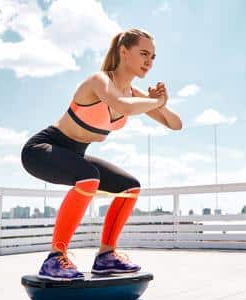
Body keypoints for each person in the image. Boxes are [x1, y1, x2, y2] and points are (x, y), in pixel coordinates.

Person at [21, 28, 182, 281]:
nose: (149, 62)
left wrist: (162, 103)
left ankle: (106, 256)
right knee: (89, 176)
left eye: (152, 57)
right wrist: (155, 103)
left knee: (130, 187)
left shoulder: (135, 95)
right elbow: (120, 105)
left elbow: (175, 124)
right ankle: (55, 258)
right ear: (123, 52)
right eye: (143, 54)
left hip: (76, 156)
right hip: (42, 150)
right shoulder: (99, 81)